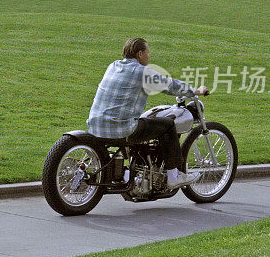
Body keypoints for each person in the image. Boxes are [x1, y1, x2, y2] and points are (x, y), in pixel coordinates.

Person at [87, 37, 209, 189]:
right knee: (168, 125)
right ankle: (174, 176)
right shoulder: (142, 72)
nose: (149, 56)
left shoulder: (113, 66)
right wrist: (195, 90)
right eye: (147, 52)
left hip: (95, 125)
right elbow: (169, 86)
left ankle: (131, 171)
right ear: (140, 54)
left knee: (145, 122)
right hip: (122, 128)